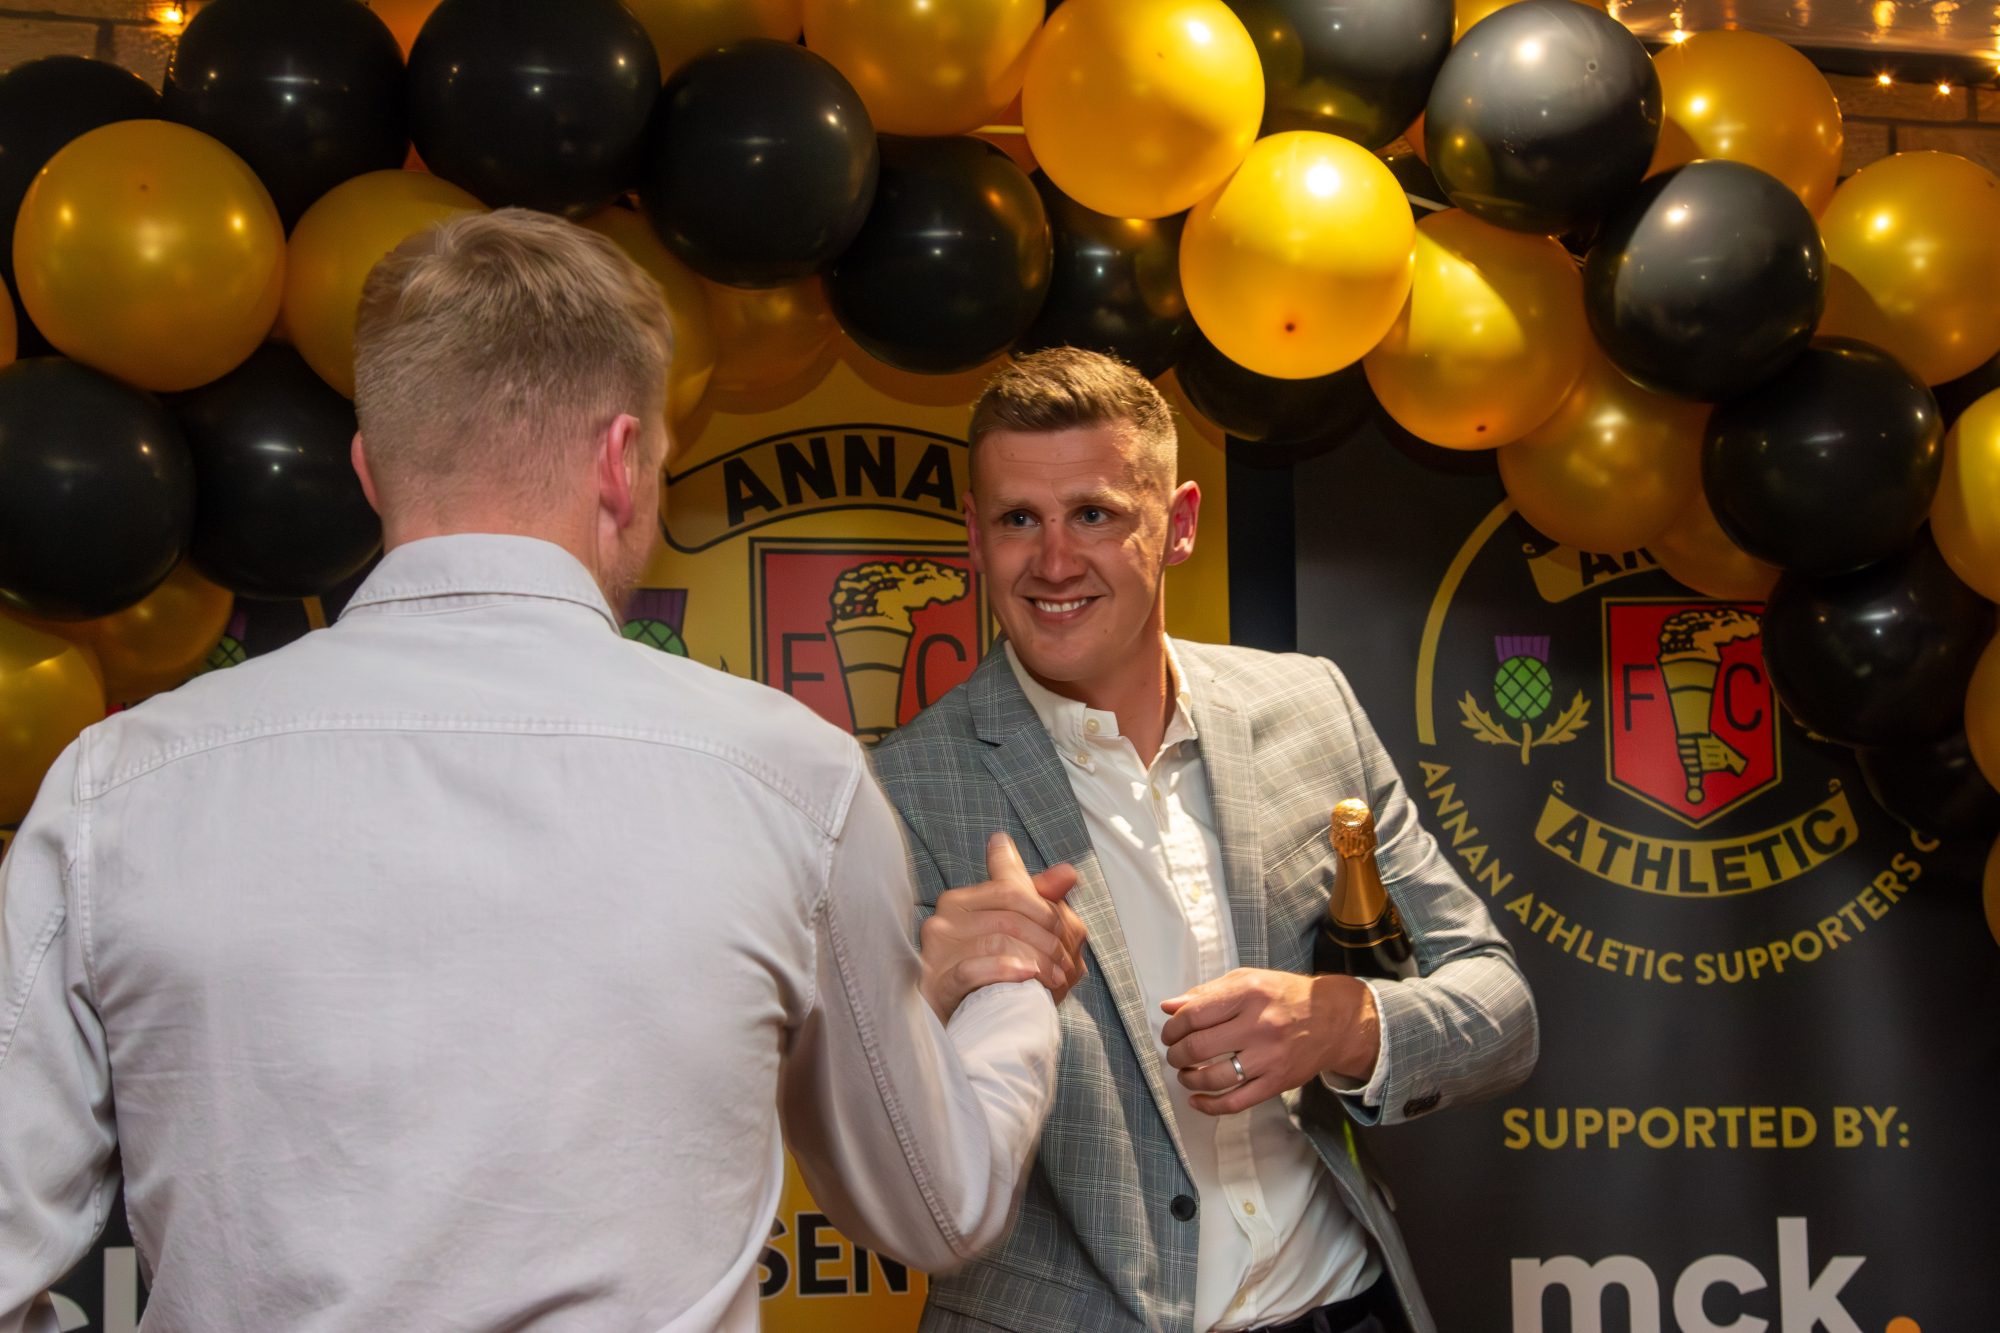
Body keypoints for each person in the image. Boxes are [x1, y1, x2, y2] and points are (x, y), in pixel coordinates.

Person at [0, 209, 1084, 1333]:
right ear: (621, 460)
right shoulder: (789, 779)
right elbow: (937, 1206)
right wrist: (1011, 986)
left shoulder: (114, 789)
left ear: (370, 469)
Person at [869, 348, 1540, 1333]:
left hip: (1340, 1306)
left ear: (1178, 524)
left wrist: (1337, 1022)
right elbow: (873, 1174)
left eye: (1093, 514)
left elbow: (1502, 1011)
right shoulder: (896, 794)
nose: (1052, 562)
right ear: (974, 534)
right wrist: (918, 1008)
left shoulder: (1308, 706)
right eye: (1018, 519)